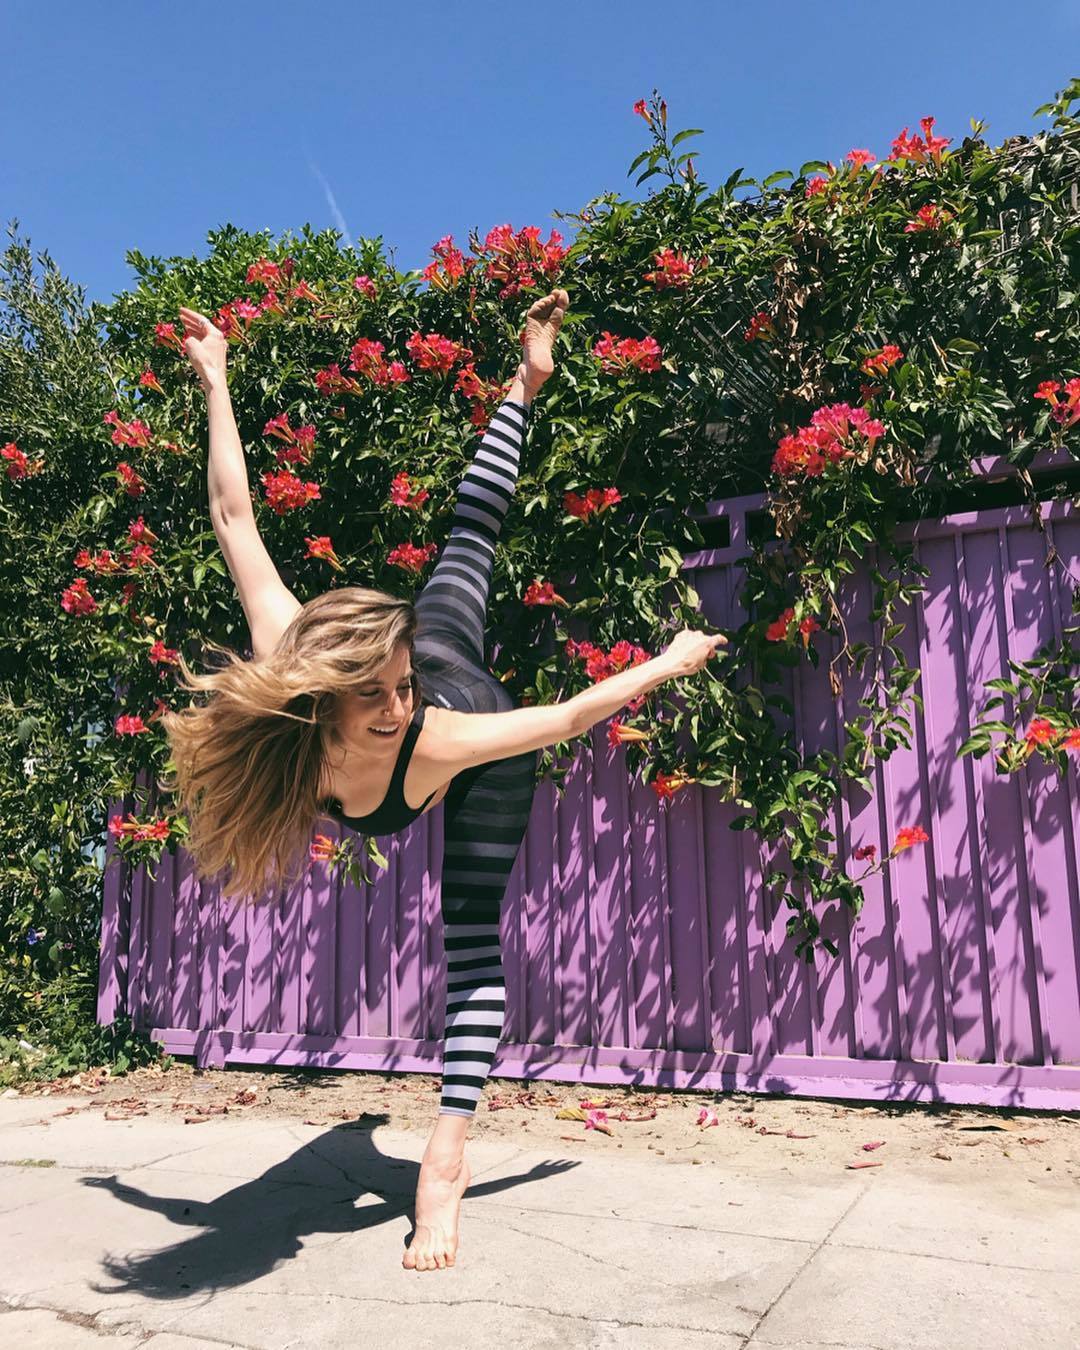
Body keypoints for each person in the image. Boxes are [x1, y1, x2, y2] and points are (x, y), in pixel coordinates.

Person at [167, 287, 726, 1273]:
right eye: (374, 696)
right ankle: (528, 384)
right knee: (465, 546)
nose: (393, 707)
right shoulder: (295, 671)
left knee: (469, 941)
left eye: (399, 688)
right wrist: (216, 379)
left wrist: (667, 662)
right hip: (429, 661)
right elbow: (231, 515)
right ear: (322, 694)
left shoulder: (435, 732)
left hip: (478, 729)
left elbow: (565, 718)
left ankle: (446, 1157)